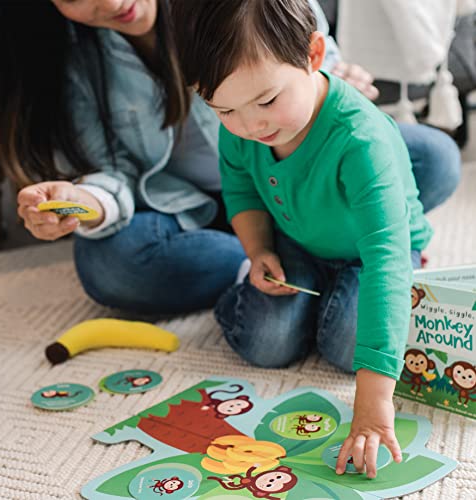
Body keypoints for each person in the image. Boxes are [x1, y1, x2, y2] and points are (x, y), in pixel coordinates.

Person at [0, 0, 459, 317]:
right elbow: (113, 173)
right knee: (109, 265)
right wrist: (85, 202)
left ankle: (299, 262)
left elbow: (314, 64)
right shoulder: (76, 61)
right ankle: (273, 266)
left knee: (431, 157)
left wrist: (333, 85)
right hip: (185, 208)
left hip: (291, 184)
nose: (113, 2)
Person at [170, 0, 435, 479]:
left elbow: (387, 261)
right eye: (224, 109)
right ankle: (289, 298)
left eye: (267, 101)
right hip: (297, 243)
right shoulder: (242, 125)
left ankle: (324, 308)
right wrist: (258, 251)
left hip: (368, 256)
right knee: (266, 344)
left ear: (314, 55)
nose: (250, 126)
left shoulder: (360, 139)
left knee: (350, 346)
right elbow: (241, 190)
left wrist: (373, 407)